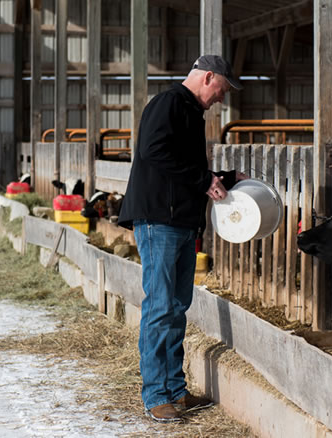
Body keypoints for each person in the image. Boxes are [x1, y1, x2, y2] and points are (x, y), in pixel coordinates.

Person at [117, 54, 247, 423]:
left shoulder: (189, 111)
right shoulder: (170, 103)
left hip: (179, 221)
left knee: (175, 307)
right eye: (222, 89)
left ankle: (174, 389)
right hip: (160, 221)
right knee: (161, 307)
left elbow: (180, 167)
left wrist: (221, 177)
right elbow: (153, 151)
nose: (222, 98)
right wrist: (205, 180)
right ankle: (156, 394)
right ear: (208, 77)